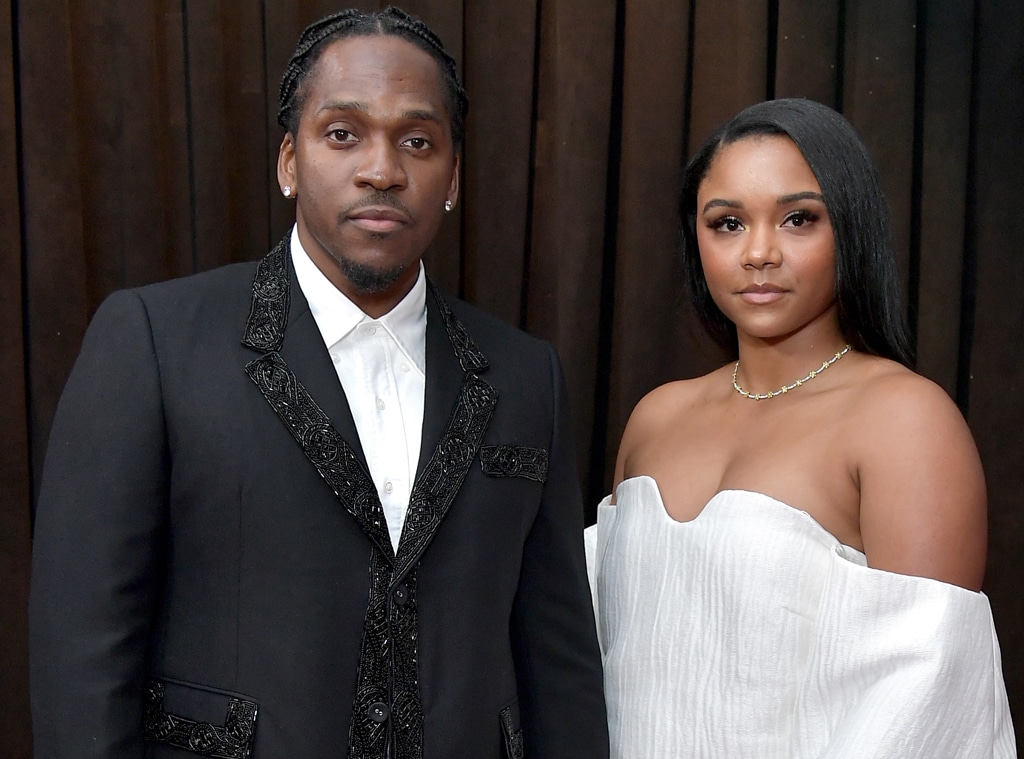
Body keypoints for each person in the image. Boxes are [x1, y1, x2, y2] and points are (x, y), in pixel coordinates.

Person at [29, 7, 608, 758]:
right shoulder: (155, 341)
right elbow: (83, 651)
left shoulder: (529, 376)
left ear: (454, 176)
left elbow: (557, 662)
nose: (381, 169)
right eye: (343, 134)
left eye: (418, 141)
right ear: (289, 162)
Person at [586, 98, 1015, 757]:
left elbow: (926, 707)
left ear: (850, 226)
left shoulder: (904, 420)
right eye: (727, 223)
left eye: (797, 218)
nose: (759, 252)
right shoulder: (656, 417)